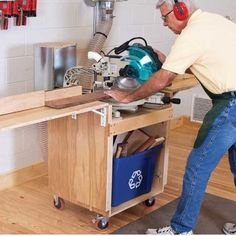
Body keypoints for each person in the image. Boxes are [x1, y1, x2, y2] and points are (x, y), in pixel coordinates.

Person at [105, 0, 236, 234]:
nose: (164, 23)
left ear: (181, 10)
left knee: (198, 167)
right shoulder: (214, 21)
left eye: (165, 17)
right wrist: (168, 61)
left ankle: (181, 230)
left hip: (231, 104)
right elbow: (203, 58)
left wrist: (128, 97)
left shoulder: (192, 34)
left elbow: (163, 79)